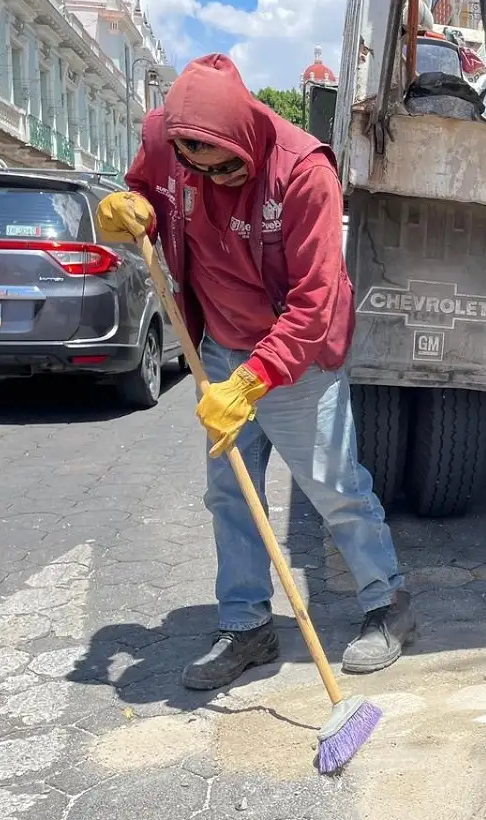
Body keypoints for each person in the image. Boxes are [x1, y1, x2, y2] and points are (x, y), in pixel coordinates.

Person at [95, 54, 415, 690]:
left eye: (229, 168)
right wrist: (129, 209)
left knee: (336, 488)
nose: (217, 180)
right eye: (201, 171)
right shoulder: (166, 139)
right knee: (230, 494)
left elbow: (316, 301)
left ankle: (388, 605)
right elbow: (149, 194)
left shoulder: (303, 173)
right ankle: (246, 626)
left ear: (247, 136)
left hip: (297, 358)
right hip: (217, 347)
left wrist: (254, 379)